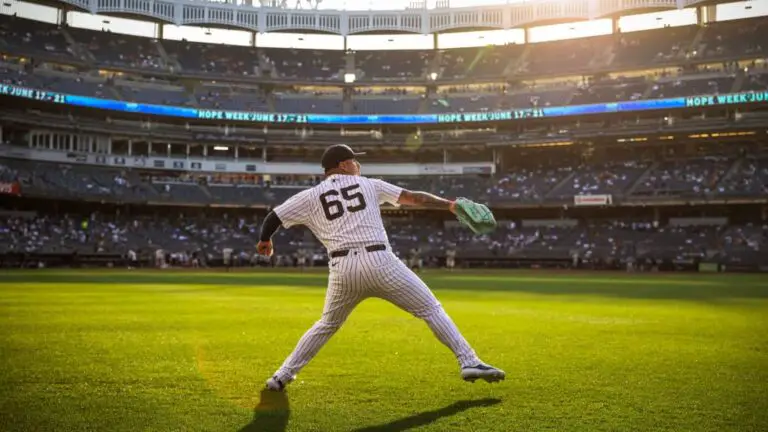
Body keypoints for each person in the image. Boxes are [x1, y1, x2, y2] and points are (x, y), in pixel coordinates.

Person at [257, 144, 504, 392]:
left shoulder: (310, 196)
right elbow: (414, 197)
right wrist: (450, 205)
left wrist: (265, 240)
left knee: (327, 325)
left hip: (343, 269)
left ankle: (281, 376)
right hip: (380, 262)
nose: (358, 165)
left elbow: (273, 217)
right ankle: (469, 361)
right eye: (353, 160)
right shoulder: (369, 184)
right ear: (343, 165)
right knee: (430, 309)